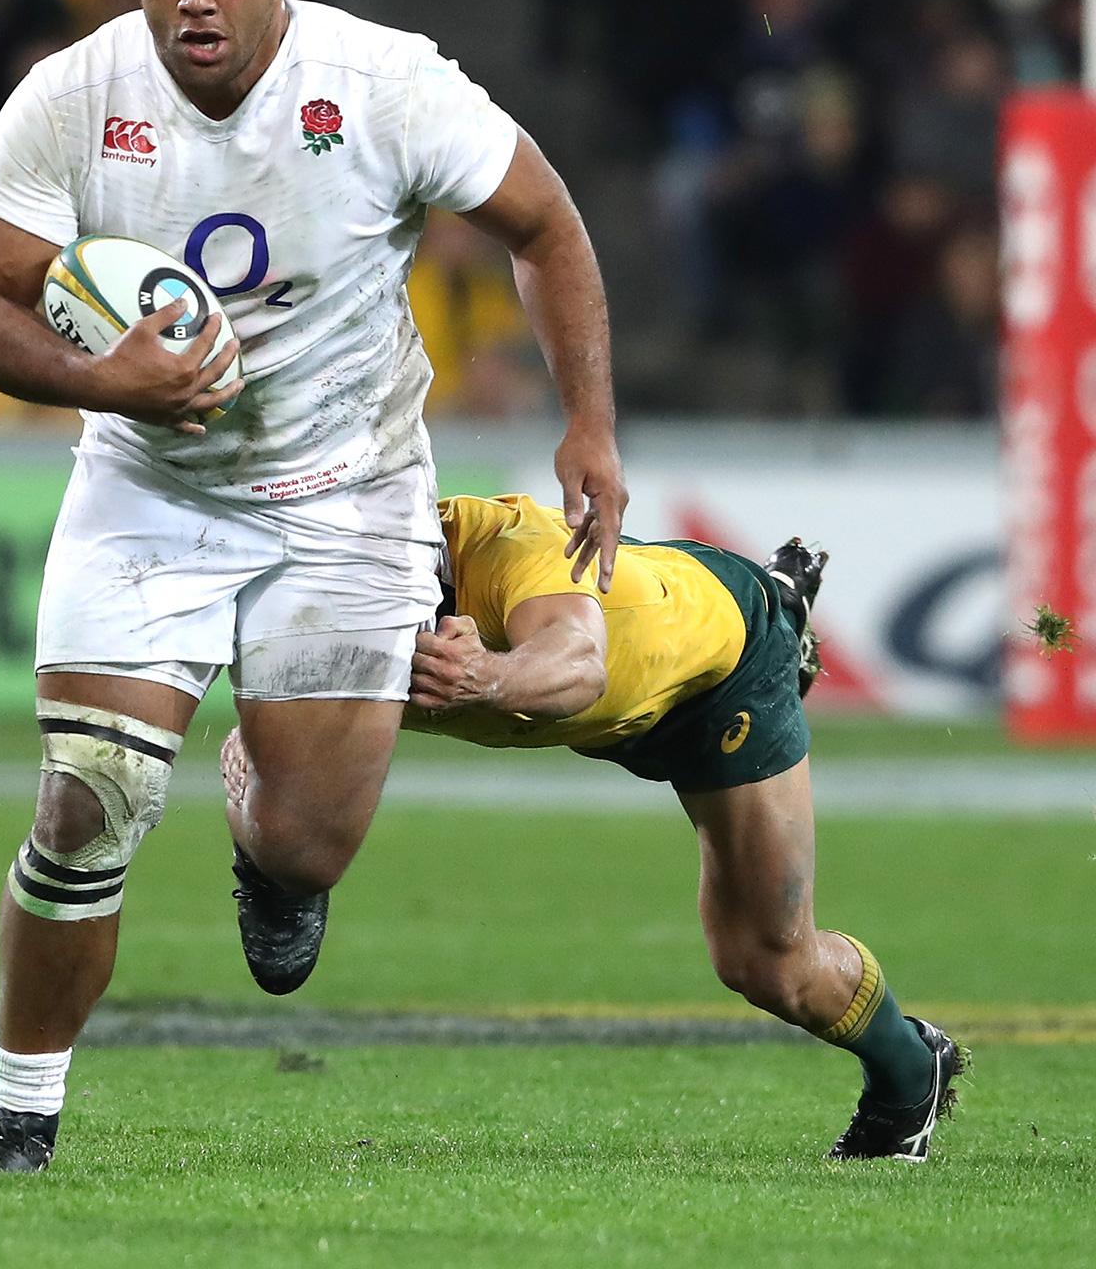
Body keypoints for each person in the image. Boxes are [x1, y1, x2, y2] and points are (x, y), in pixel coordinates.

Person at [0, 0, 627, 1172]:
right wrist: (115, 382)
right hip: (149, 489)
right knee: (88, 793)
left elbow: (544, 224)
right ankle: (21, 1113)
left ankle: (270, 846)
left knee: (311, 846)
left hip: (352, 495)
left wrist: (589, 421)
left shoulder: (385, 85)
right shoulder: (72, 97)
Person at [225, 494, 966, 1162]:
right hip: (613, 700)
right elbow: (260, 740)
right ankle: (772, 598)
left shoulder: (506, 542)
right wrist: (267, 822)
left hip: (717, 688)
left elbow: (578, 667)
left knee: (768, 961)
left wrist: (481, 676)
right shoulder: (321, 611)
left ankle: (910, 1073)